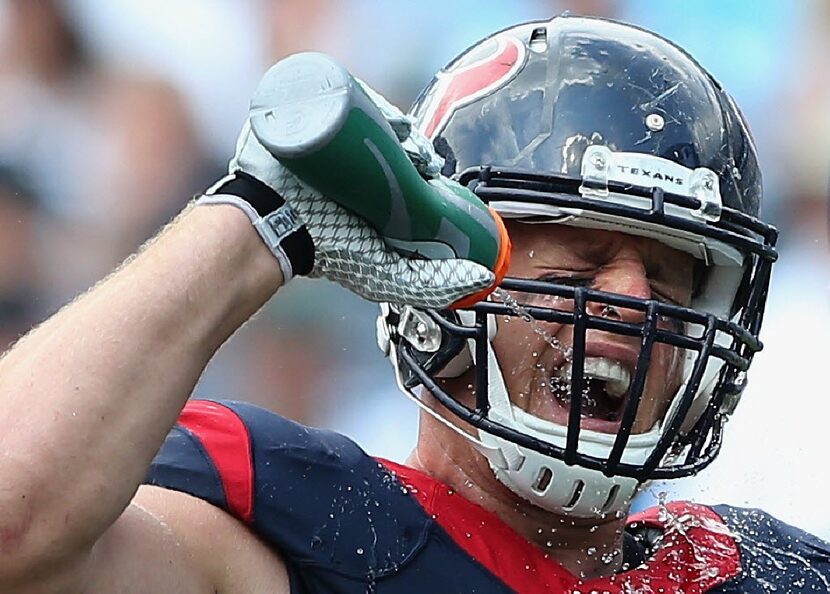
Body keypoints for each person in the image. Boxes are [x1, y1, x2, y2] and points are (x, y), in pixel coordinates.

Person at [0, 15, 827, 594]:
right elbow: (14, 524)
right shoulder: (303, 533)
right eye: (579, 269)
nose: (632, 306)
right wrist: (256, 220)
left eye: (674, 285)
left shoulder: (766, 570)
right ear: (441, 287)